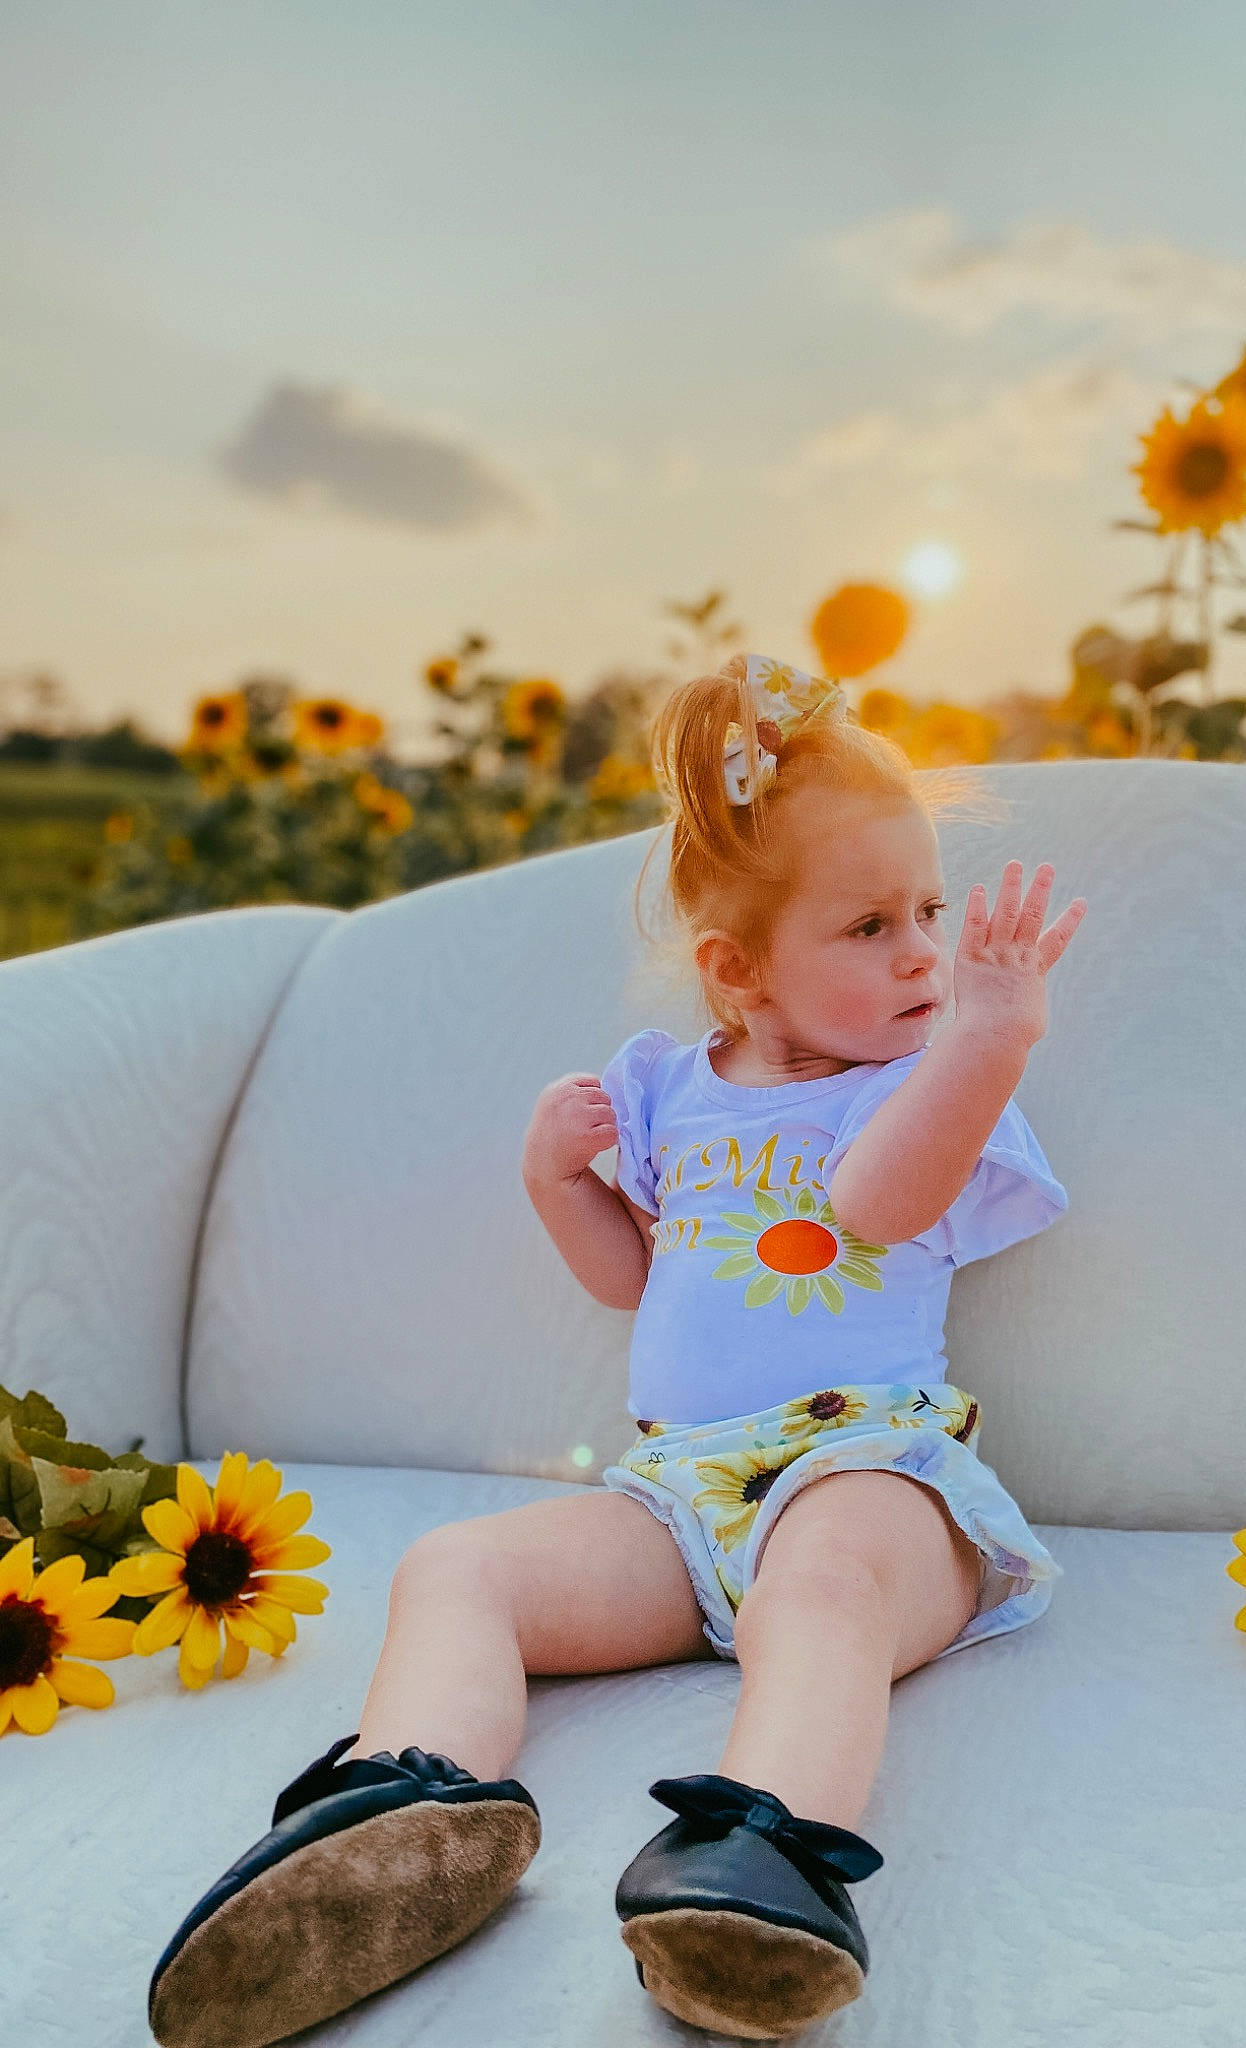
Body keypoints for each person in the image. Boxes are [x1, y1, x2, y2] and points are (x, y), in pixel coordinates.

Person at [143, 651, 1086, 2048]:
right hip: (678, 1495)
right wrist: (561, 1186)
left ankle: (766, 1860)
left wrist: (993, 1041)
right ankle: (407, 1808)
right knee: (459, 1566)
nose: (922, 955)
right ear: (738, 970)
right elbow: (631, 1287)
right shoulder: (665, 1093)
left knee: (815, 1596)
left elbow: (877, 1204)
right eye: (870, 924)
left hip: (871, 1480)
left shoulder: (932, 1080)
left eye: (932, 913)